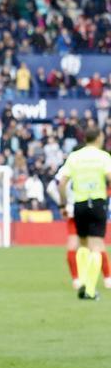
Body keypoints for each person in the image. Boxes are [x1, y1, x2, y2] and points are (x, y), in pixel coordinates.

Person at [57, 127, 111, 301]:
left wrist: (63, 204)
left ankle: (81, 282)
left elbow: (61, 183)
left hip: (79, 205)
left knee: (82, 244)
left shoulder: (75, 157)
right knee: (97, 245)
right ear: (99, 138)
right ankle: (89, 289)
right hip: (97, 202)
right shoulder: (103, 156)